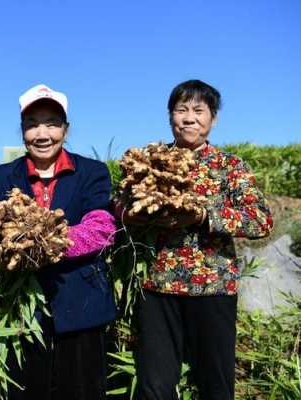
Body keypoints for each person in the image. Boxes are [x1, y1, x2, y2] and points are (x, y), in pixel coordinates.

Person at [117, 80, 273, 400]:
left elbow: (260, 220)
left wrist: (204, 216)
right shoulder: (148, 161)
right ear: (170, 116)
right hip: (157, 287)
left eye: (198, 111)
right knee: (154, 386)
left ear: (212, 119)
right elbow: (118, 207)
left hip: (213, 288)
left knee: (216, 385)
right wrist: (135, 213)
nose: (188, 118)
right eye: (181, 110)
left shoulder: (230, 167)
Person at [0, 84, 117, 400]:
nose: (42, 133)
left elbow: (101, 226)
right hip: (18, 315)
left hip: (80, 309)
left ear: (66, 128)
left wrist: (46, 245)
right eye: (32, 124)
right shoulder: (4, 175)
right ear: (22, 130)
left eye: (51, 123)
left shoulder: (92, 172)